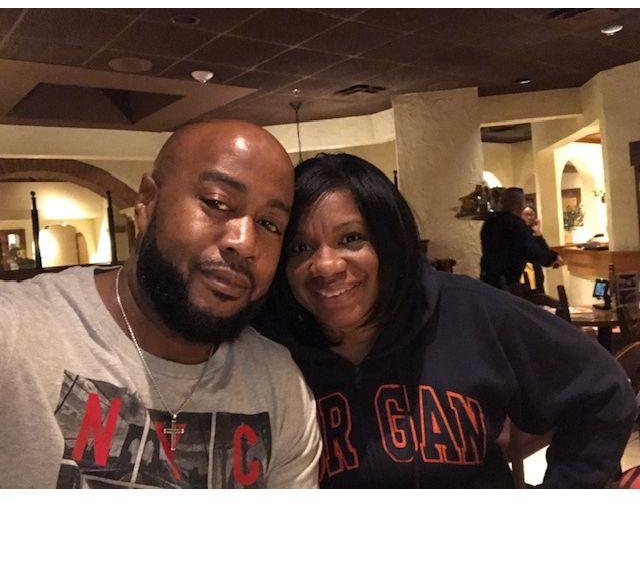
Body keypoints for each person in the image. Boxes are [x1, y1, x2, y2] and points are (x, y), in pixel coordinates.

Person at [255, 153, 637, 488]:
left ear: (389, 242)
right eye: (301, 247)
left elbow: (602, 390)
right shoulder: (268, 346)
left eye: (351, 238)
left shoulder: (468, 310)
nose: (325, 265)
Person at [0, 120, 321, 489]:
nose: (245, 243)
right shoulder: (16, 333)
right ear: (147, 202)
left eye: (269, 224)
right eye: (217, 203)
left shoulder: (279, 384)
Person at [480, 187, 562, 291]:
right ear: (520, 204)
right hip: (506, 285)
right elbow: (533, 252)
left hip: (488, 282)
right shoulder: (516, 225)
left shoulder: (489, 223)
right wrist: (552, 258)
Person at [521, 204, 552, 291]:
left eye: (531, 215)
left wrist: (538, 232)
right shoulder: (518, 233)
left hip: (536, 276)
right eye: (526, 214)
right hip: (521, 277)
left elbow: (546, 255)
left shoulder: (535, 234)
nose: (529, 217)